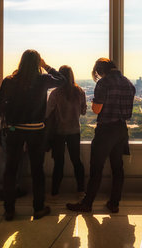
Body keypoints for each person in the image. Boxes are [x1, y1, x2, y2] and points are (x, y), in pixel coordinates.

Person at [0, 49, 65, 221]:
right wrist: (46, 65)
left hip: (14, 130)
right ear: (37, 63)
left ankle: (9, 210)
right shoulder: (43, 79)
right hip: (36, 130)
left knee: (10, 170)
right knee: (37, 170)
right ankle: (38, 208)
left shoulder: (10, 81)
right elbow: (62, 80)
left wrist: (7, 119)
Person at [66, 58, 135, 214]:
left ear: (100, 70)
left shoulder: (104, 83)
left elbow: (97, 110)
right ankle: (114, 203)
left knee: (96, 168)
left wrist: (93, 102)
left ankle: (87, 203)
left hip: (106, 130)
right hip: (121, 130)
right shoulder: (128, 83)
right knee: (118, 168)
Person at [46, 65, 87, 197]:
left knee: (58, 163)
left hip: (58, 131)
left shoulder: (55, 93)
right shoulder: (79, 91)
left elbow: (47, 113)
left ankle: (55, 192)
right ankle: (81, 190)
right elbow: (83, 111)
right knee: (76, 161)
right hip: (74, 130)